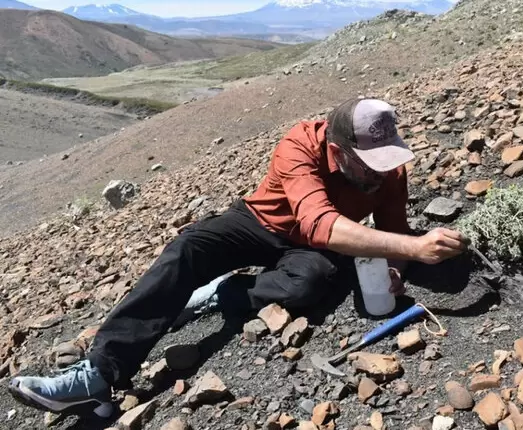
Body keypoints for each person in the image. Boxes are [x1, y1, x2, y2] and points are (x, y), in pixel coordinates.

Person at [8, 97, 468, 417]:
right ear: (336, 150)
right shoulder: (300, 145)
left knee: (308, 285)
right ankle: (101, 373)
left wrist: (395, 266)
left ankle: (220, 294)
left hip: (313, 248)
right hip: (258, 224)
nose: (382, 171)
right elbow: (316, 221)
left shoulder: (389, 168)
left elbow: (392, 229)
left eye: (388, 160)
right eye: (370, 163)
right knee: (188, 248)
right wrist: (413, 248)